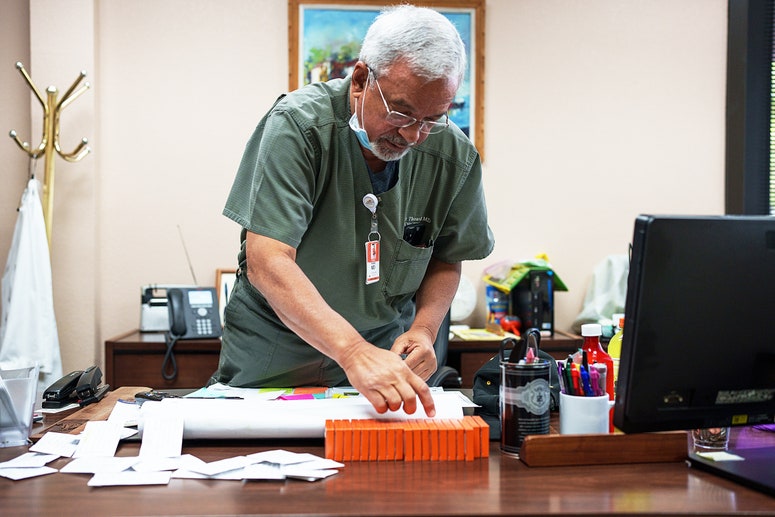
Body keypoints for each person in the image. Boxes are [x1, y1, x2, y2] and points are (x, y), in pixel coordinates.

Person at [212, 5, 494, 418]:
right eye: (400, 112)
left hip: (383, 357)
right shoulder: (298, 127)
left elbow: (447, 257)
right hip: (276, 352)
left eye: (432, 118)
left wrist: (424, 328)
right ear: (361, 79)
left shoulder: (452, 153)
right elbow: (267, 260)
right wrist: (351, 350)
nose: (413, 135)